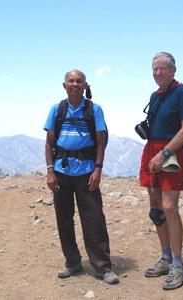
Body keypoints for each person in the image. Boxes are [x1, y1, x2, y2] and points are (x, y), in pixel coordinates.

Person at [44, 69, 119, 285]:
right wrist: (50, 170)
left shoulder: (94, 110)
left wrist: (98, 169)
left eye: (79, 81)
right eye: (71, 81)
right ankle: (72, 262)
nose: (75, 84)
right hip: (61, 172)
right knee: (64, 218)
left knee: (94, 219)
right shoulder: (57, 109)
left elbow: (100, 141)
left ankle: (102, 267)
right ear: (64, 85)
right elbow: (49, 142)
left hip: (87, 172)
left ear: (85, 85)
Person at [139, 52, 183, 290]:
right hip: (153, 148)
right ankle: (165, 257)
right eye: (154, 70)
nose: (158, 73)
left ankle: (178, 264)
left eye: (162, 69)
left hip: (171, 152)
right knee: (156, 210)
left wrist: (164, 154)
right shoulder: (155, 95)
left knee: (170, 207)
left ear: (173, 70)